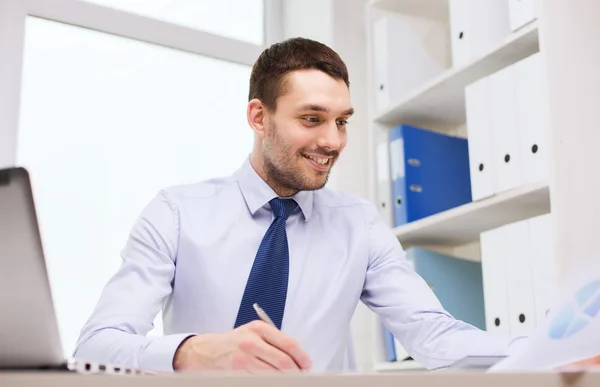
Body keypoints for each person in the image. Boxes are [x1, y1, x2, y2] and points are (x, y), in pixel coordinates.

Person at [73, 37, 516, 373]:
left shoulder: (358, 225)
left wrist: (550, 351)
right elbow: (95, 347)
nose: (332, 141)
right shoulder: (176, 213)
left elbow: (434, 334)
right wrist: (193, 350)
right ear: (259, 117)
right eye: (312, 119)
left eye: (341, 121)